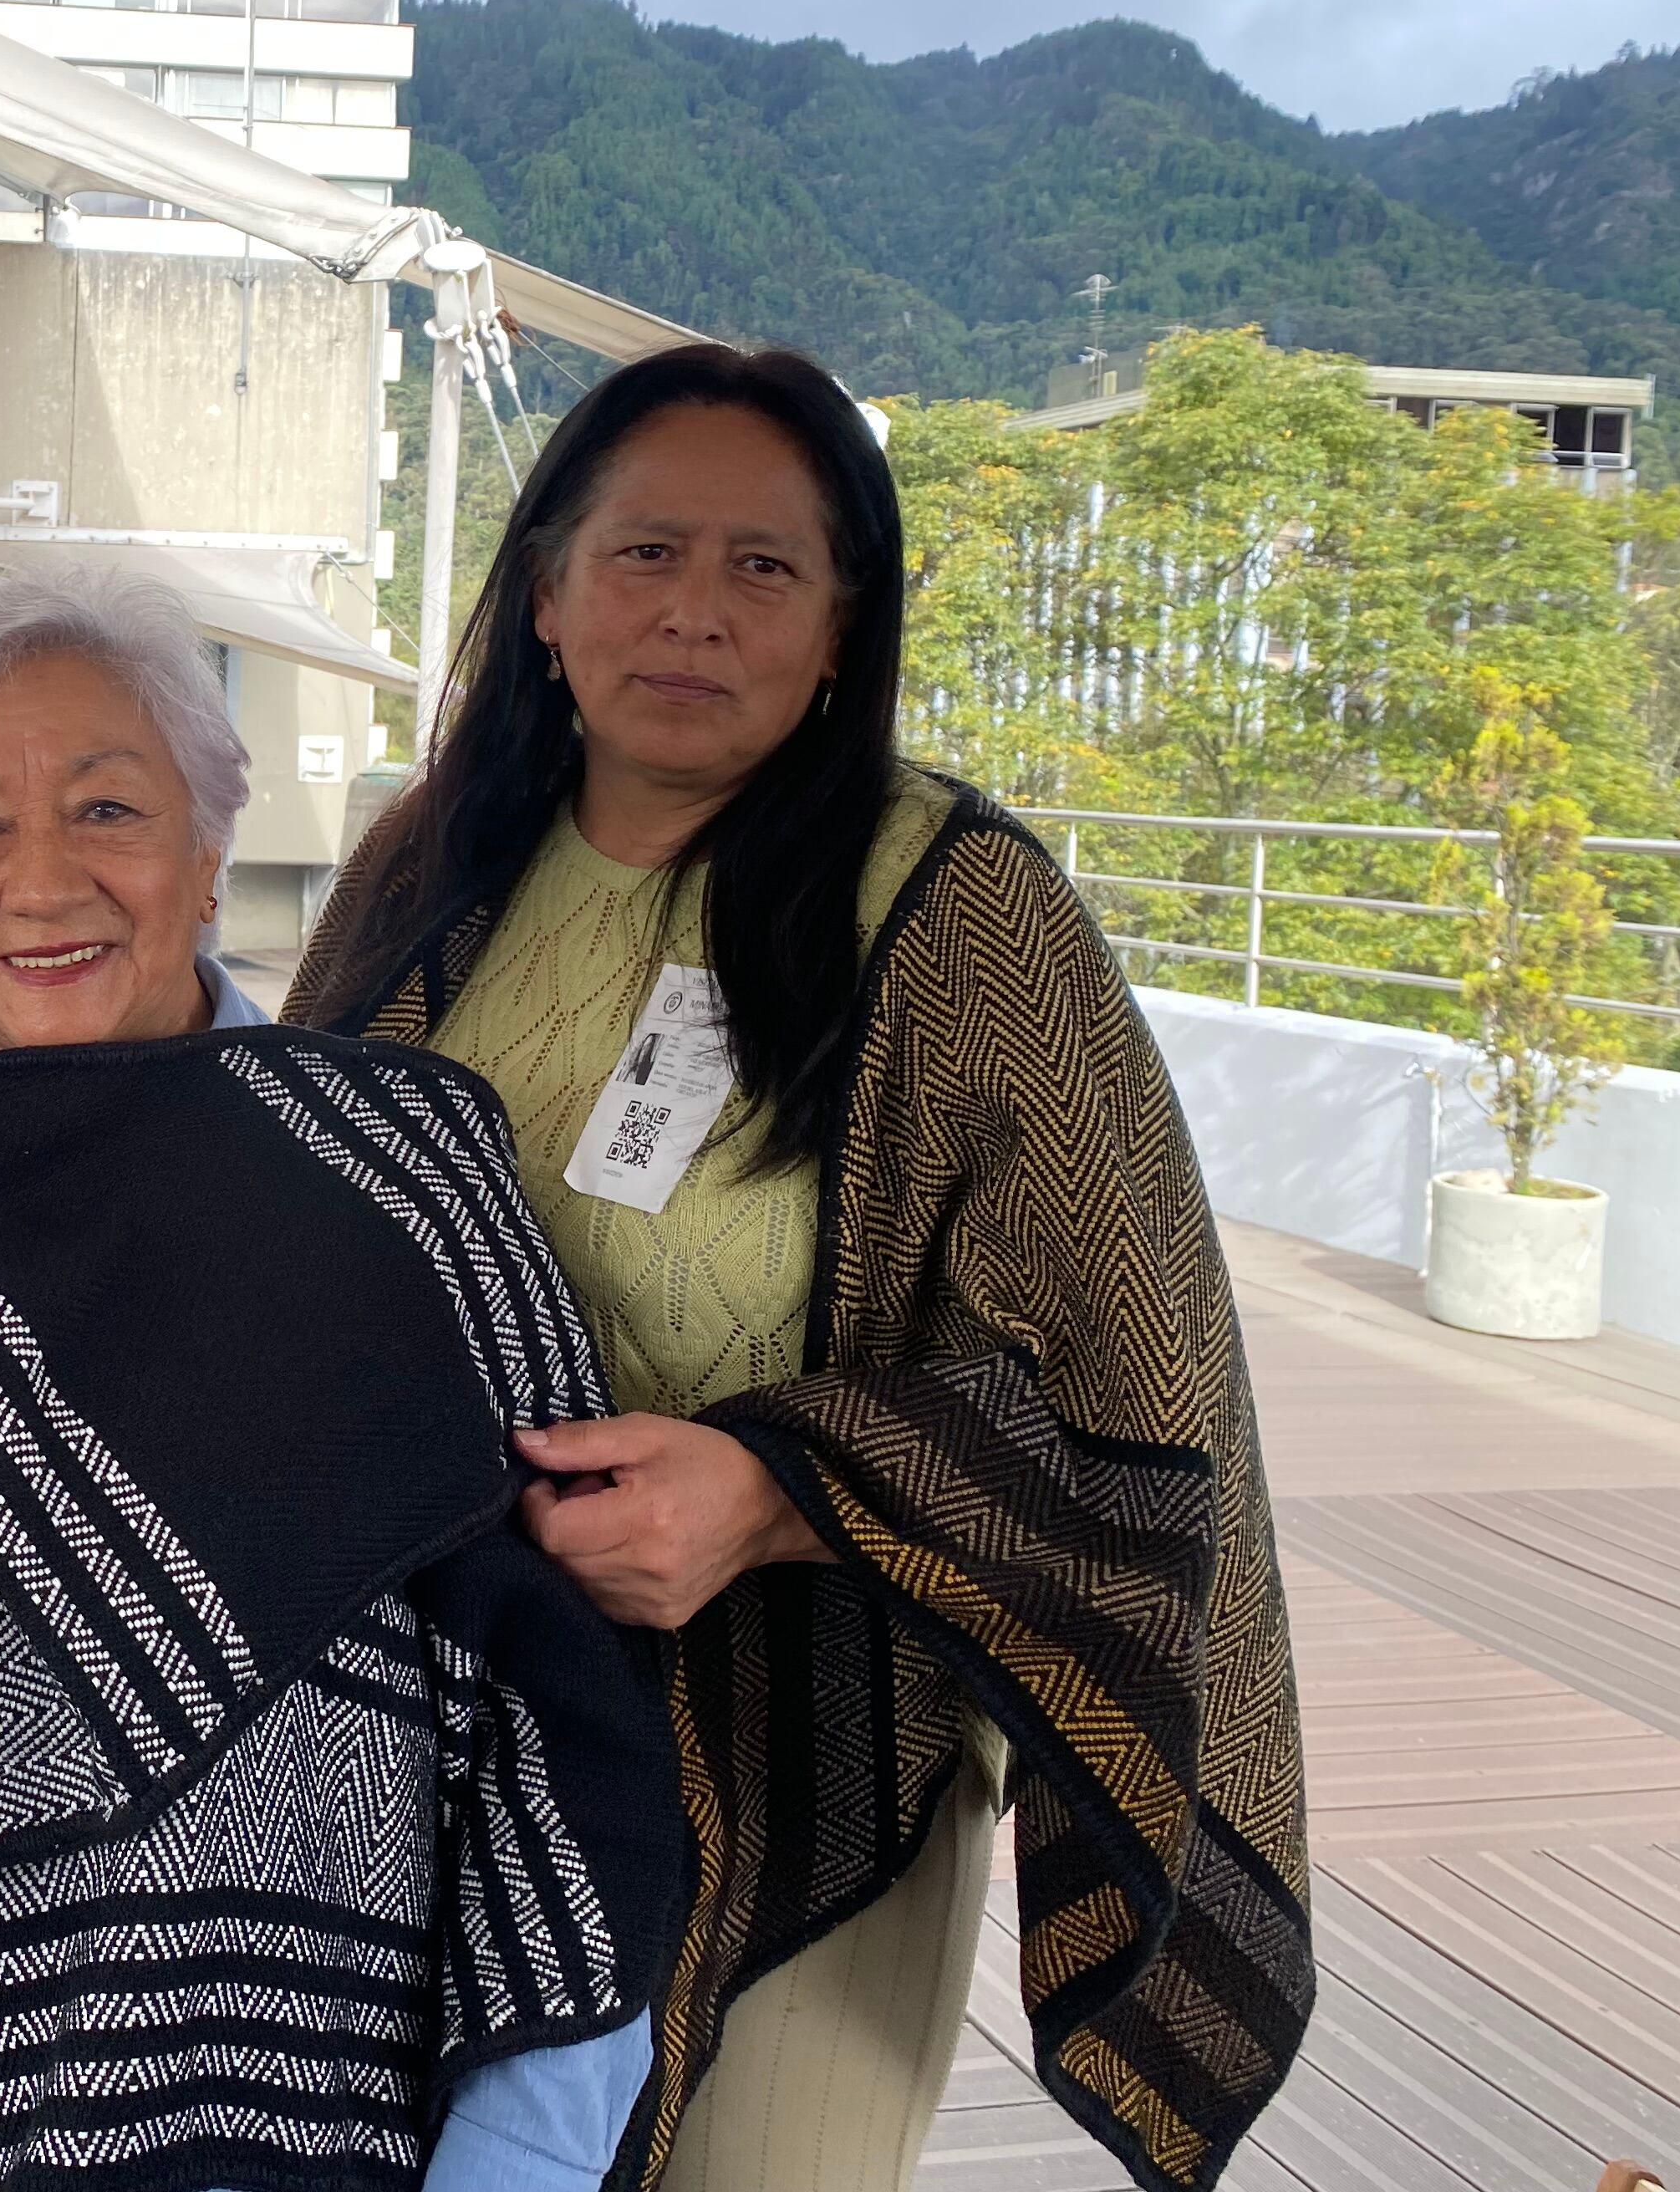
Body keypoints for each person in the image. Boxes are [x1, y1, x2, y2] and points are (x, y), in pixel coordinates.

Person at [288, 344, 1310, 2192]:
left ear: (847, 623)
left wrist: (777, 1489)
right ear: (542, 596)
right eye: (644, 551)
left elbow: (1134, 1390)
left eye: (766, 567)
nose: (694, 613)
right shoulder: (422, 866)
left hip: (800, 1749)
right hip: (433, 1734)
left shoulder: (955, 908)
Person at [0, 570, 694, 2192]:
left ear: (209, 850)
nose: (40, 881)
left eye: (107, 806)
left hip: (314, 2134)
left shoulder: (400, 1179)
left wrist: (520, 2161)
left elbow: (569, 1721)